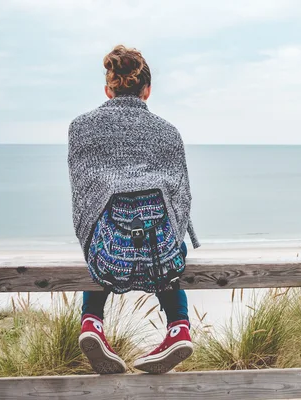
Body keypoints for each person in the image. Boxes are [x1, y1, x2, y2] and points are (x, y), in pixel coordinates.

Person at [67, 45, 200, 374]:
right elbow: (179, 199)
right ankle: (178, 327)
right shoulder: (167, 132)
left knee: (94, 233)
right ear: (148, 90)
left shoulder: (81, 127)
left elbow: (84, 193)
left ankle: (92, 321)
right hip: (161, 255)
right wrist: (169, 234)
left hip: (108, 252)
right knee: (174, 241)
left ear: (108, 89)